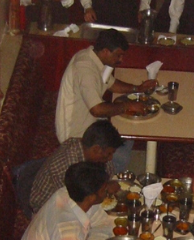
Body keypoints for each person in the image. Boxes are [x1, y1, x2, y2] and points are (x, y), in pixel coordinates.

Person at [55, 28, 156, 172]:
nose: (121, 60)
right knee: (121, 158)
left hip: (92, 125)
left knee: (128, 135)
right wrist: (127, 106)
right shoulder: (85, 68)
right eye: (118, 55)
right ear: (106, 51)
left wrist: (138, 88)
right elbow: (97, 109)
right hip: (76, 136)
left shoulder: (95, 59)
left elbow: (111, 84)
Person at [30, 120, 124, 214]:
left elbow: (108, 171)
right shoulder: (66, 166)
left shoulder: (90, 151)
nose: (110, 158)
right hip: (50, 209)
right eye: (109, 154)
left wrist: (107, 184)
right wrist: (106, 189)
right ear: (96, 149)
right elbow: (77, 201)